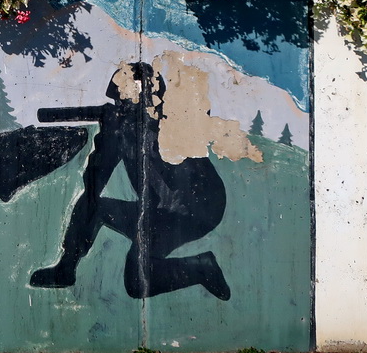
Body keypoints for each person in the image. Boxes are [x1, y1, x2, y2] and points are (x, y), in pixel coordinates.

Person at [30, 61, 231, 300]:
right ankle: (65, 269)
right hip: (157, 213)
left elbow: (196, 165)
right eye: (121, 101)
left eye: (133, 101)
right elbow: (95, 181)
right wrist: (110, 135)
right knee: (95, 207)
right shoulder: (121, 131)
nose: (125, 107)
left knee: (138, 282)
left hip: (196, 212)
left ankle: (201, 268)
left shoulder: (175, 121)